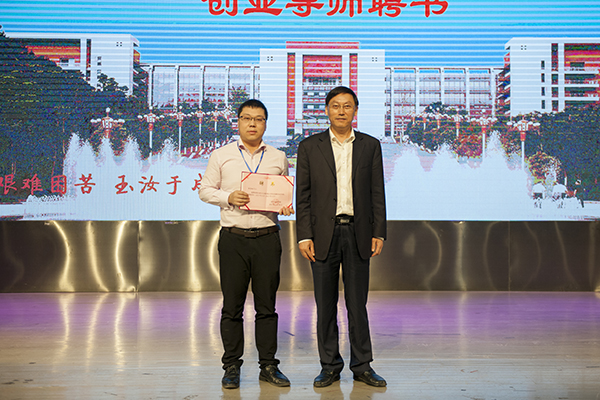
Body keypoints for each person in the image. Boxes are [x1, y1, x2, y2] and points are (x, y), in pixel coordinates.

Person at [295, 86, 387, 388]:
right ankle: (330, 366)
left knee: (357, 305)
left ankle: (362, 366)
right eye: (335, 106)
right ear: (326, 110)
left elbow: (377, 192)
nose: (341, 111)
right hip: (323, 234)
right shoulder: (310, 146)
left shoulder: (370, 145)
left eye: (347, 106)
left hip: (359, 232)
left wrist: (378, 231)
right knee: (325, 305)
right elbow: (303, 196)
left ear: (355, 111)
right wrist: (304, 235)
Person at [199, 99, 293, 389]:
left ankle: (269, 366)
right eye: (247, 118)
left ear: (265, 124)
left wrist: (285, 206)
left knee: (267, 307)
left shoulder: (278, 157)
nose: (252, 124)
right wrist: (228, 197)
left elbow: (283, 193)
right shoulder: (221, 155)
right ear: (238, 122)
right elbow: (205, 190)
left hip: (267, 238)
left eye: (259, 119)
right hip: (234, 239)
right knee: (232, 307)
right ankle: (231, 366)